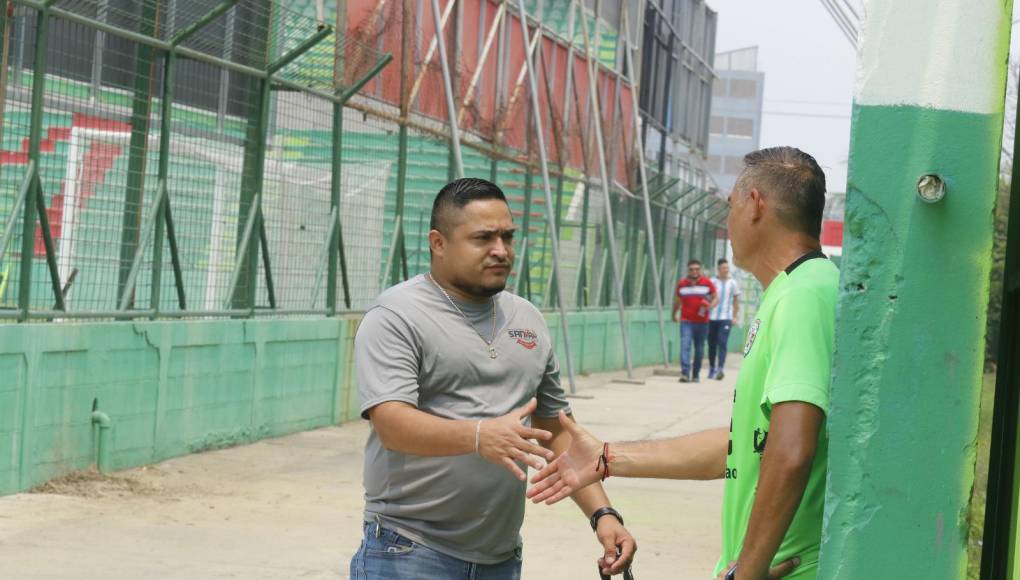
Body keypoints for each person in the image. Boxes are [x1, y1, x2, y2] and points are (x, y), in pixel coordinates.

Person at [527, 147, 838, 580]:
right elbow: (746, 444)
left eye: (730, 206)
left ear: (755, 204)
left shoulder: (806, 296)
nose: (726, 222)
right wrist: (608, 456)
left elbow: (791, 450)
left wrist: (748, 572)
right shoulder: (791, 291)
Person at [350, 178, 636, 579]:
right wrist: (480, 436)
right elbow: (392, 423)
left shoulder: (528, 319)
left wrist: (603, 514)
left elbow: (556, 429)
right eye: (483, 238)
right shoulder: (397, 316)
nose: (501, 251)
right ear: (438, 243)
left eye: (507, 236)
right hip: (409, 551)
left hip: (500, 559)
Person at [673, 260, 718, 382]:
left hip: (702, 322)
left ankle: (696, 373)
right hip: (686, 321)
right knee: (685, 346)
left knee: (699, 349)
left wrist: (710, 306)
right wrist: (674, 314)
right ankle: (685, 373)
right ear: (688, 270)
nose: (694, 271)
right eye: (692, 269)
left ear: (700, 270)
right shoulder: (682, 284)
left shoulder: (707, 283)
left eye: (697, 269)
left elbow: (715, 298)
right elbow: (677, 301)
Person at [708, 258, 741, 380]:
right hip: (712, 318)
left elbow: (736, 302)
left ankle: (720, 368)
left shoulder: (733, 283)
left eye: (727, 268)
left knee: (722, 343)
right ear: (718, 269)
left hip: (726, 318)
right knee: (712, 344)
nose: (725, 270)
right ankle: (712, 368)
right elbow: (707, 298)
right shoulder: (712, 282)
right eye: (723, 268)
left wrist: (734, 317)